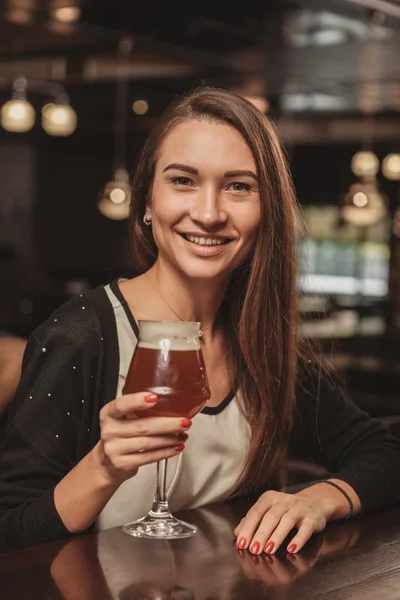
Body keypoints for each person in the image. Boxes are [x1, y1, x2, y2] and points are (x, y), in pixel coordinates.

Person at [1, 87, 400, 555]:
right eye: (183, 181)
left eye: (238, 186)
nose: (209, 214)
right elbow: (10, 531)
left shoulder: (259, 341)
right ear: (147, 202)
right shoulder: (81, 335)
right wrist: (103, 466)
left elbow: (385, 453)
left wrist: (318, 499)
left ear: (267, 210)